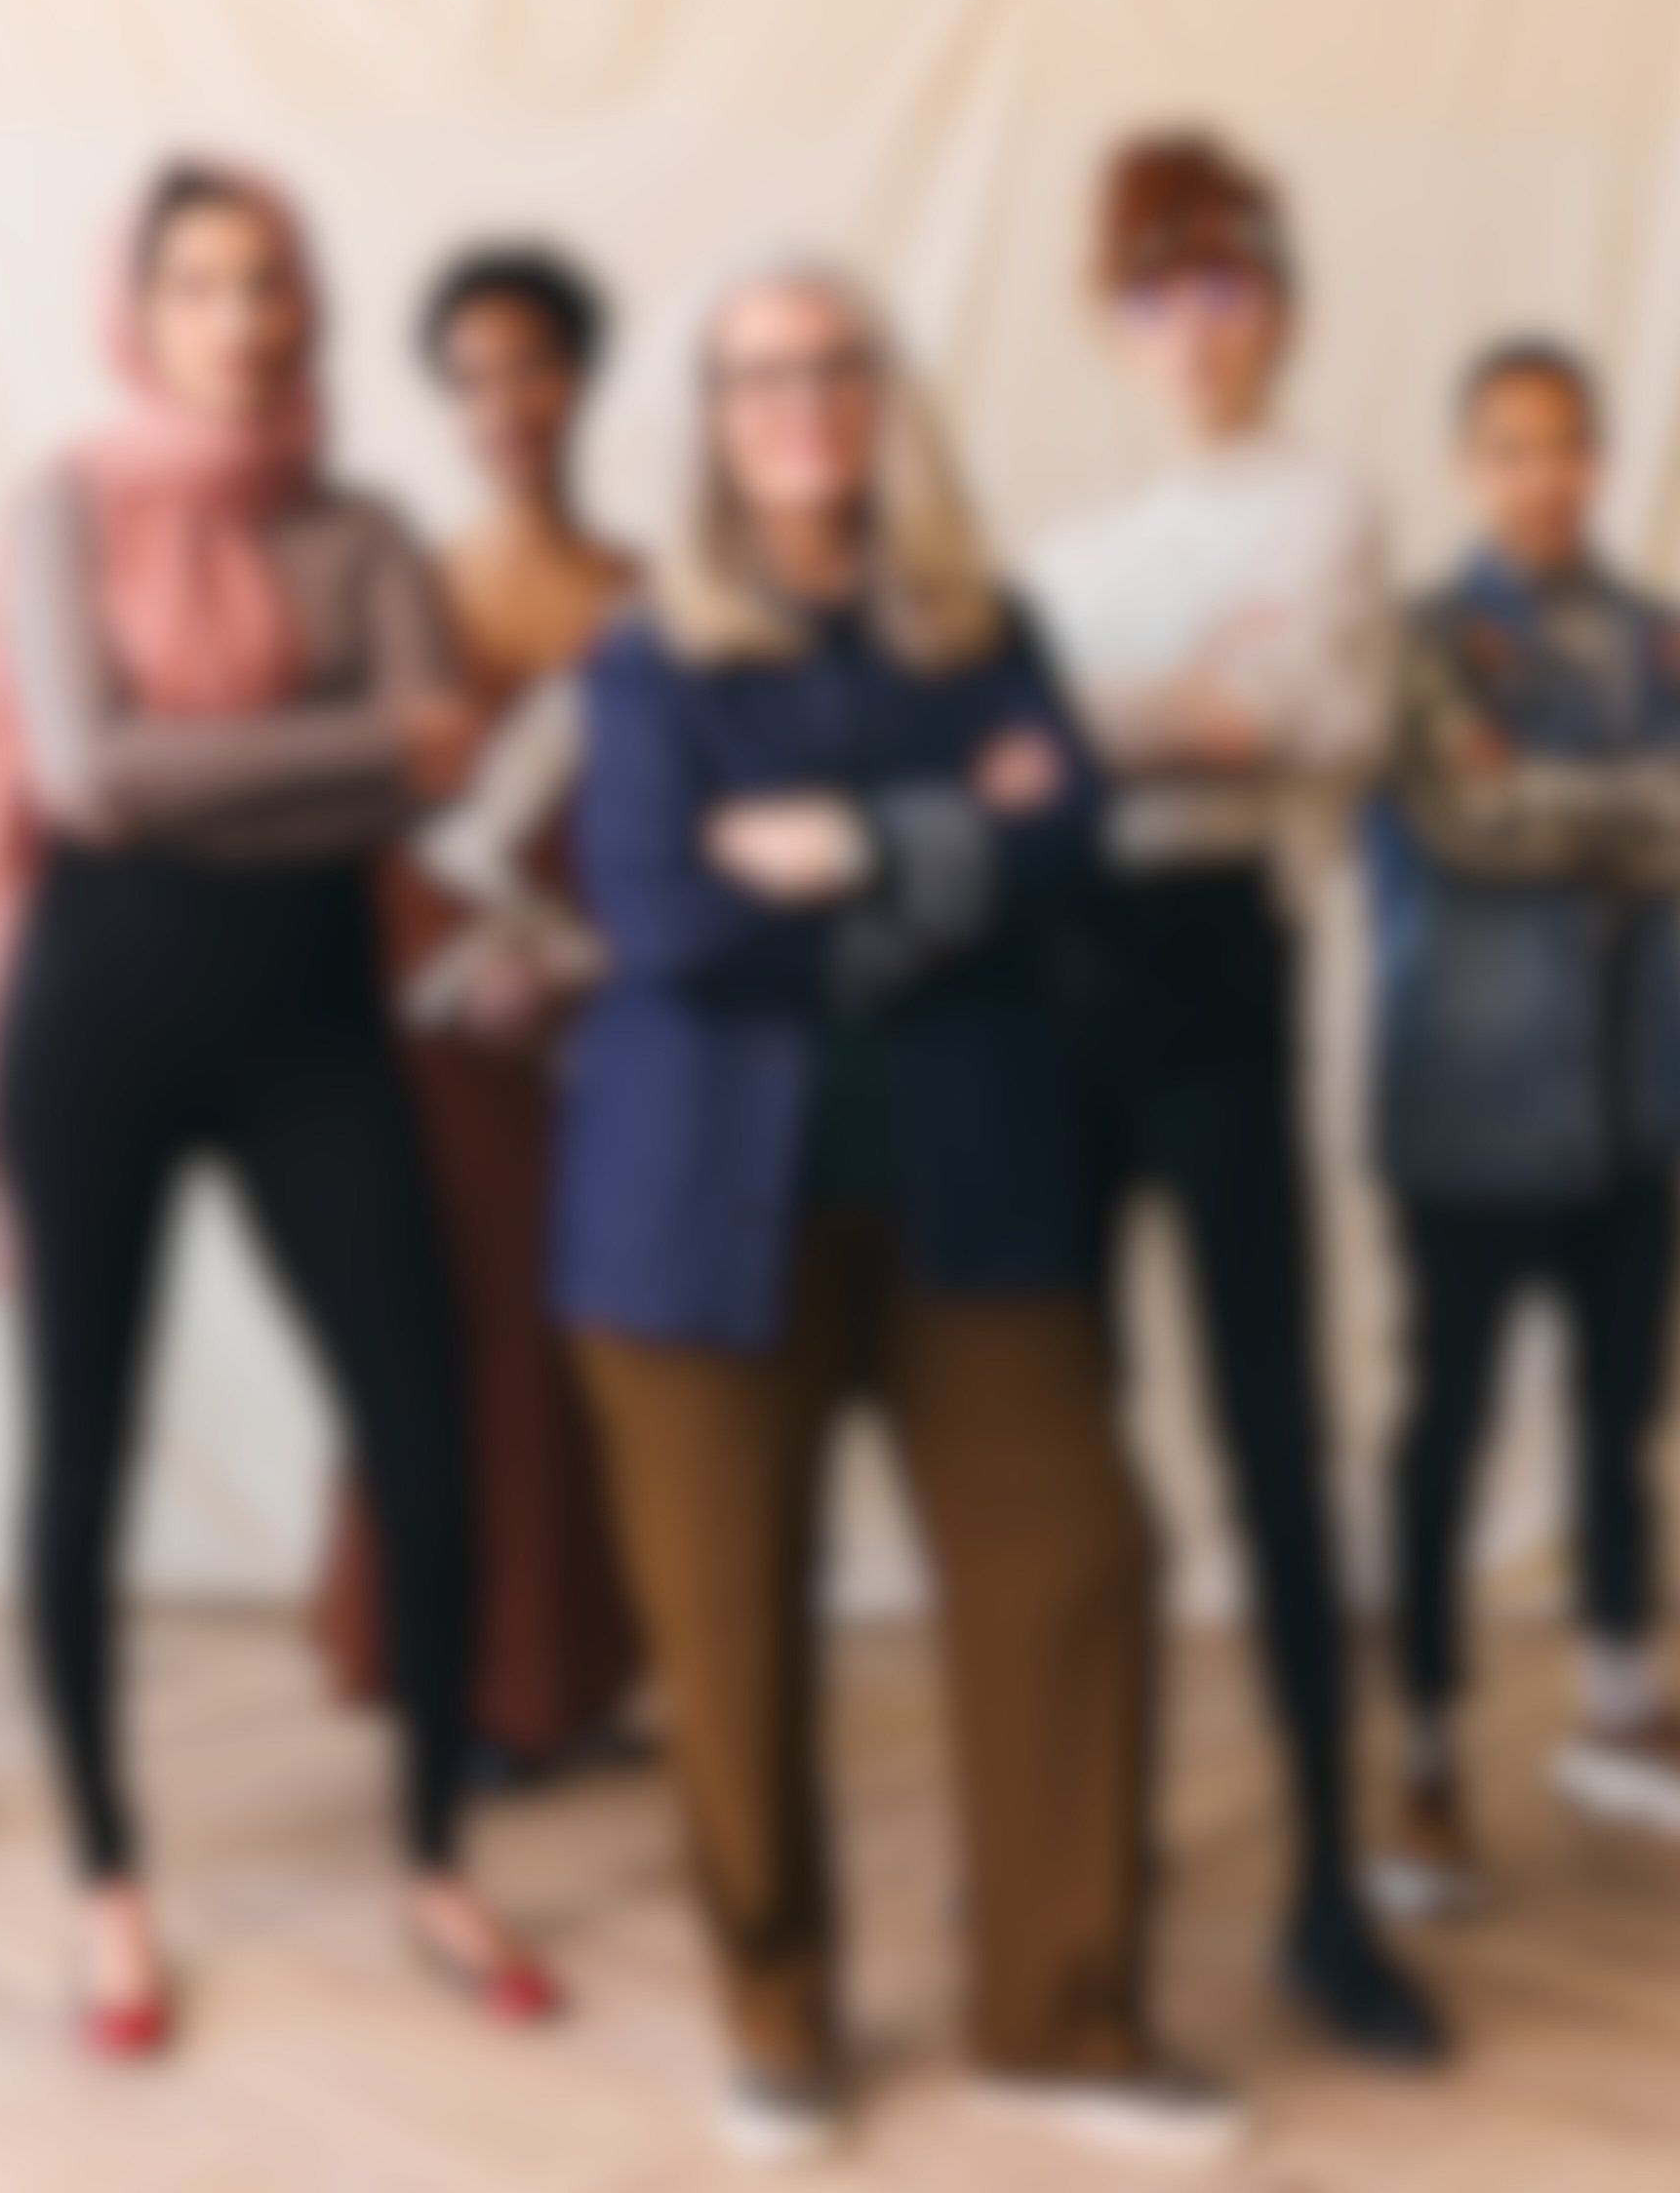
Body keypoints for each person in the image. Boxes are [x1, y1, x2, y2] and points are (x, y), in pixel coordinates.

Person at [559, 258, 1240, 2169]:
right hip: (696, 1216)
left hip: (974, 1190)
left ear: (884, 394)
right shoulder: (645, 654)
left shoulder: (980, 622)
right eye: (756, 373)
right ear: (709, 416)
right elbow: (671, 920)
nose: (800, 402)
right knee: (729, 1630)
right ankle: (777, 2018)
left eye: (834, 366)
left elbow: (1074, 842)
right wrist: (956, 856)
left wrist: (850, 847)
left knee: (1077, 1571)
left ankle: (1062, 2018)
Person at [0, 156, 550, 2056]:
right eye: (197, 283)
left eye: (268, 281)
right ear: (138, 306)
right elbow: (97, 779)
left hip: (308, 1021)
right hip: (91, 1017)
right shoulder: (60, 510)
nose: (239, 317)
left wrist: (266, 774)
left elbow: (442, 796)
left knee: (426, 1428)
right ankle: (109, 1884)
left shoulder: (367, 528)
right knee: (82, 1451)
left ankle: (435, 1852)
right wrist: (358, 745)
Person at [1018, 129, 1443, 2062]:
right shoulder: (1064, 557)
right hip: (1050, 994)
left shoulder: (1331, 505)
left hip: (1216, 976)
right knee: (1065, 1444)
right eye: (1153, 297)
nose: (1193, 331)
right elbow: (1024, 763)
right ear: (1111, 335)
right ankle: (1074, 1860)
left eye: (1226, 286)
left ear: (1279, 304)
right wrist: (1180, 704)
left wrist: (1121, 725)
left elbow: (1330, 725)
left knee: (1274, 1434)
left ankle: (1329, 1896)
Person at [1361, 341, 1680, 1926]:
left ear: (1599, 460)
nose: (1543, 476)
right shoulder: (1411, 643)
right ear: (1468, 467)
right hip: (1465, 1109)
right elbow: (1465, 817)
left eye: (1566, 447)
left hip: (1640, 1106)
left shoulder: (1678, 641)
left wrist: (1562, 800)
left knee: (1627, 1420)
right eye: (1509, 449)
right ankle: (1419, 1753)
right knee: (1446, 1433)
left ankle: (1621, 1703)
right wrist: (1635, 807)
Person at [311, 242, 645, 1783]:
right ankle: (448, 1680)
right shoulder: (409, 590)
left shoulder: (645, 593)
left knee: (587, 1347)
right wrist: (452, 970)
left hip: (602, 1018)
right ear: (442, 402)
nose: (505, 401)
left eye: (533, 366)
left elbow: (664, 814)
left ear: (581, 378)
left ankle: (567, 1680)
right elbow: (367, 809)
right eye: (472, 376)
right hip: (432, 1014)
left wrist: (579, 964)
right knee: (443, 1340)